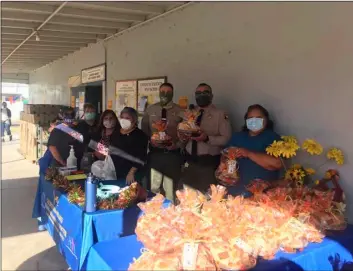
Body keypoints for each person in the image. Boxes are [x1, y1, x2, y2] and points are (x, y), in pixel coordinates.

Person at [179, 83, 232, 194]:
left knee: (207, 200)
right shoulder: (190, 113)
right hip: (189, 162)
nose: (201, 95)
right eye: (198, 93)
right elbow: (183, 135)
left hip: (208, 165)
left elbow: (226, 139)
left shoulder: (220, 114)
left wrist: (207, 138)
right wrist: (183, 137)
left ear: (211, 96)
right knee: (187, 198)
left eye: (205, 92)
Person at [226, 104, 283, 196]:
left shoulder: (273, 138)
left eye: (259, 117)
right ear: (246, 120)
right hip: (236, 192)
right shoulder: (237, 137)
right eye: (251, 118)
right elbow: (227, 158)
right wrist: (225, 169)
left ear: (266, 120)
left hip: (262, 194)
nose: (254, 121)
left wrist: (248, 153)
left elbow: (277, 163)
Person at [141, 82, 184, 203]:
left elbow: (186, 133)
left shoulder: (180, 111)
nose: (165, 94)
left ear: (172, 94)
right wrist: (151, 140)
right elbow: (144, 130)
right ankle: (153, 215)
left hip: (172, 156)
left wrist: (177, 145)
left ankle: (170, 215)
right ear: (159, 93)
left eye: (168, 92)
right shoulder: (151, 109)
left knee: (170, 190)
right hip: (155, 155)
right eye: (162, 92)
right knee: (153, 189)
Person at [109, 107, 148, 182]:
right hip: (115, 172)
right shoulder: (116, 133)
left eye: (127, 118)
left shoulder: (140, 135)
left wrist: (131, 172)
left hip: (131, 173)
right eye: (122, 117)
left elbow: (141, 156)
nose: (124, 120)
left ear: (134, 119)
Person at [75, 103, 98, 168]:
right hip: (82, 157)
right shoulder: (79, 126)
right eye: (87, 111)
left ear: (95, 113)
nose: (90, 113)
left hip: (97, 158)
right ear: (84, 113)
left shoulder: (99, 126)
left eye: (92, 111)